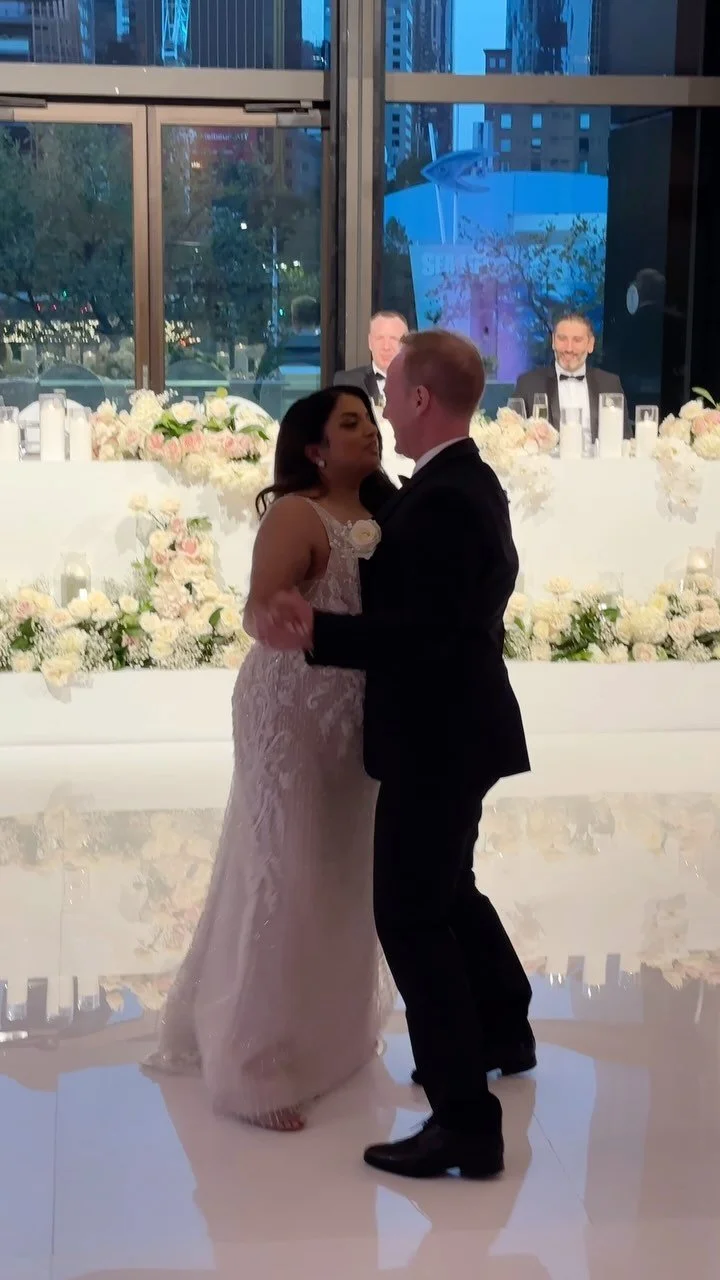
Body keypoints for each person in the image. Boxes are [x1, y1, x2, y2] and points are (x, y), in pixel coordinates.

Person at [259, 330, 534, 1179]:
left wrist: (318, 632)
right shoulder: (455, 482)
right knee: (448, 891)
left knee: (411, 918)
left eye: (388, 392)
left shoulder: (446, 499)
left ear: (419, 399)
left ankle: (464, 1122)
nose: (379, 413)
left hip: (439, 736)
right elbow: (405, 543)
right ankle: (503, 1027)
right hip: (461, 729)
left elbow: (424, 634)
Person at [143, 387, 396, 1132]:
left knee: (341, 867)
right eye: (350, 423)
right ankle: (254, 1065)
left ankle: (328, 1041)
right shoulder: (296, 513)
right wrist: (278, 617)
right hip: (291, 709)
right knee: (284, 866)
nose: (370, 431)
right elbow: (260, 606)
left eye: (370, 420)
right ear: (315, 449)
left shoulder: (384, 511)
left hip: (356, 712)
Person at [513, 313, 629, 439]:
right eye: (562, 339)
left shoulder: (610, 383)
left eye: (577, 340)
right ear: (553, 341)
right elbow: (513, 438)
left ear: (590, 344)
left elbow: (625, 439)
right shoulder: (528, 384)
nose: (569, 349)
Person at [334, 311, 408, 406]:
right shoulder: (347, 382)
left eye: (393, 339)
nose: (386, 347)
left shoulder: (421, 382)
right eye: (380, 338)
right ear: (370, 342)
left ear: (406, 344)